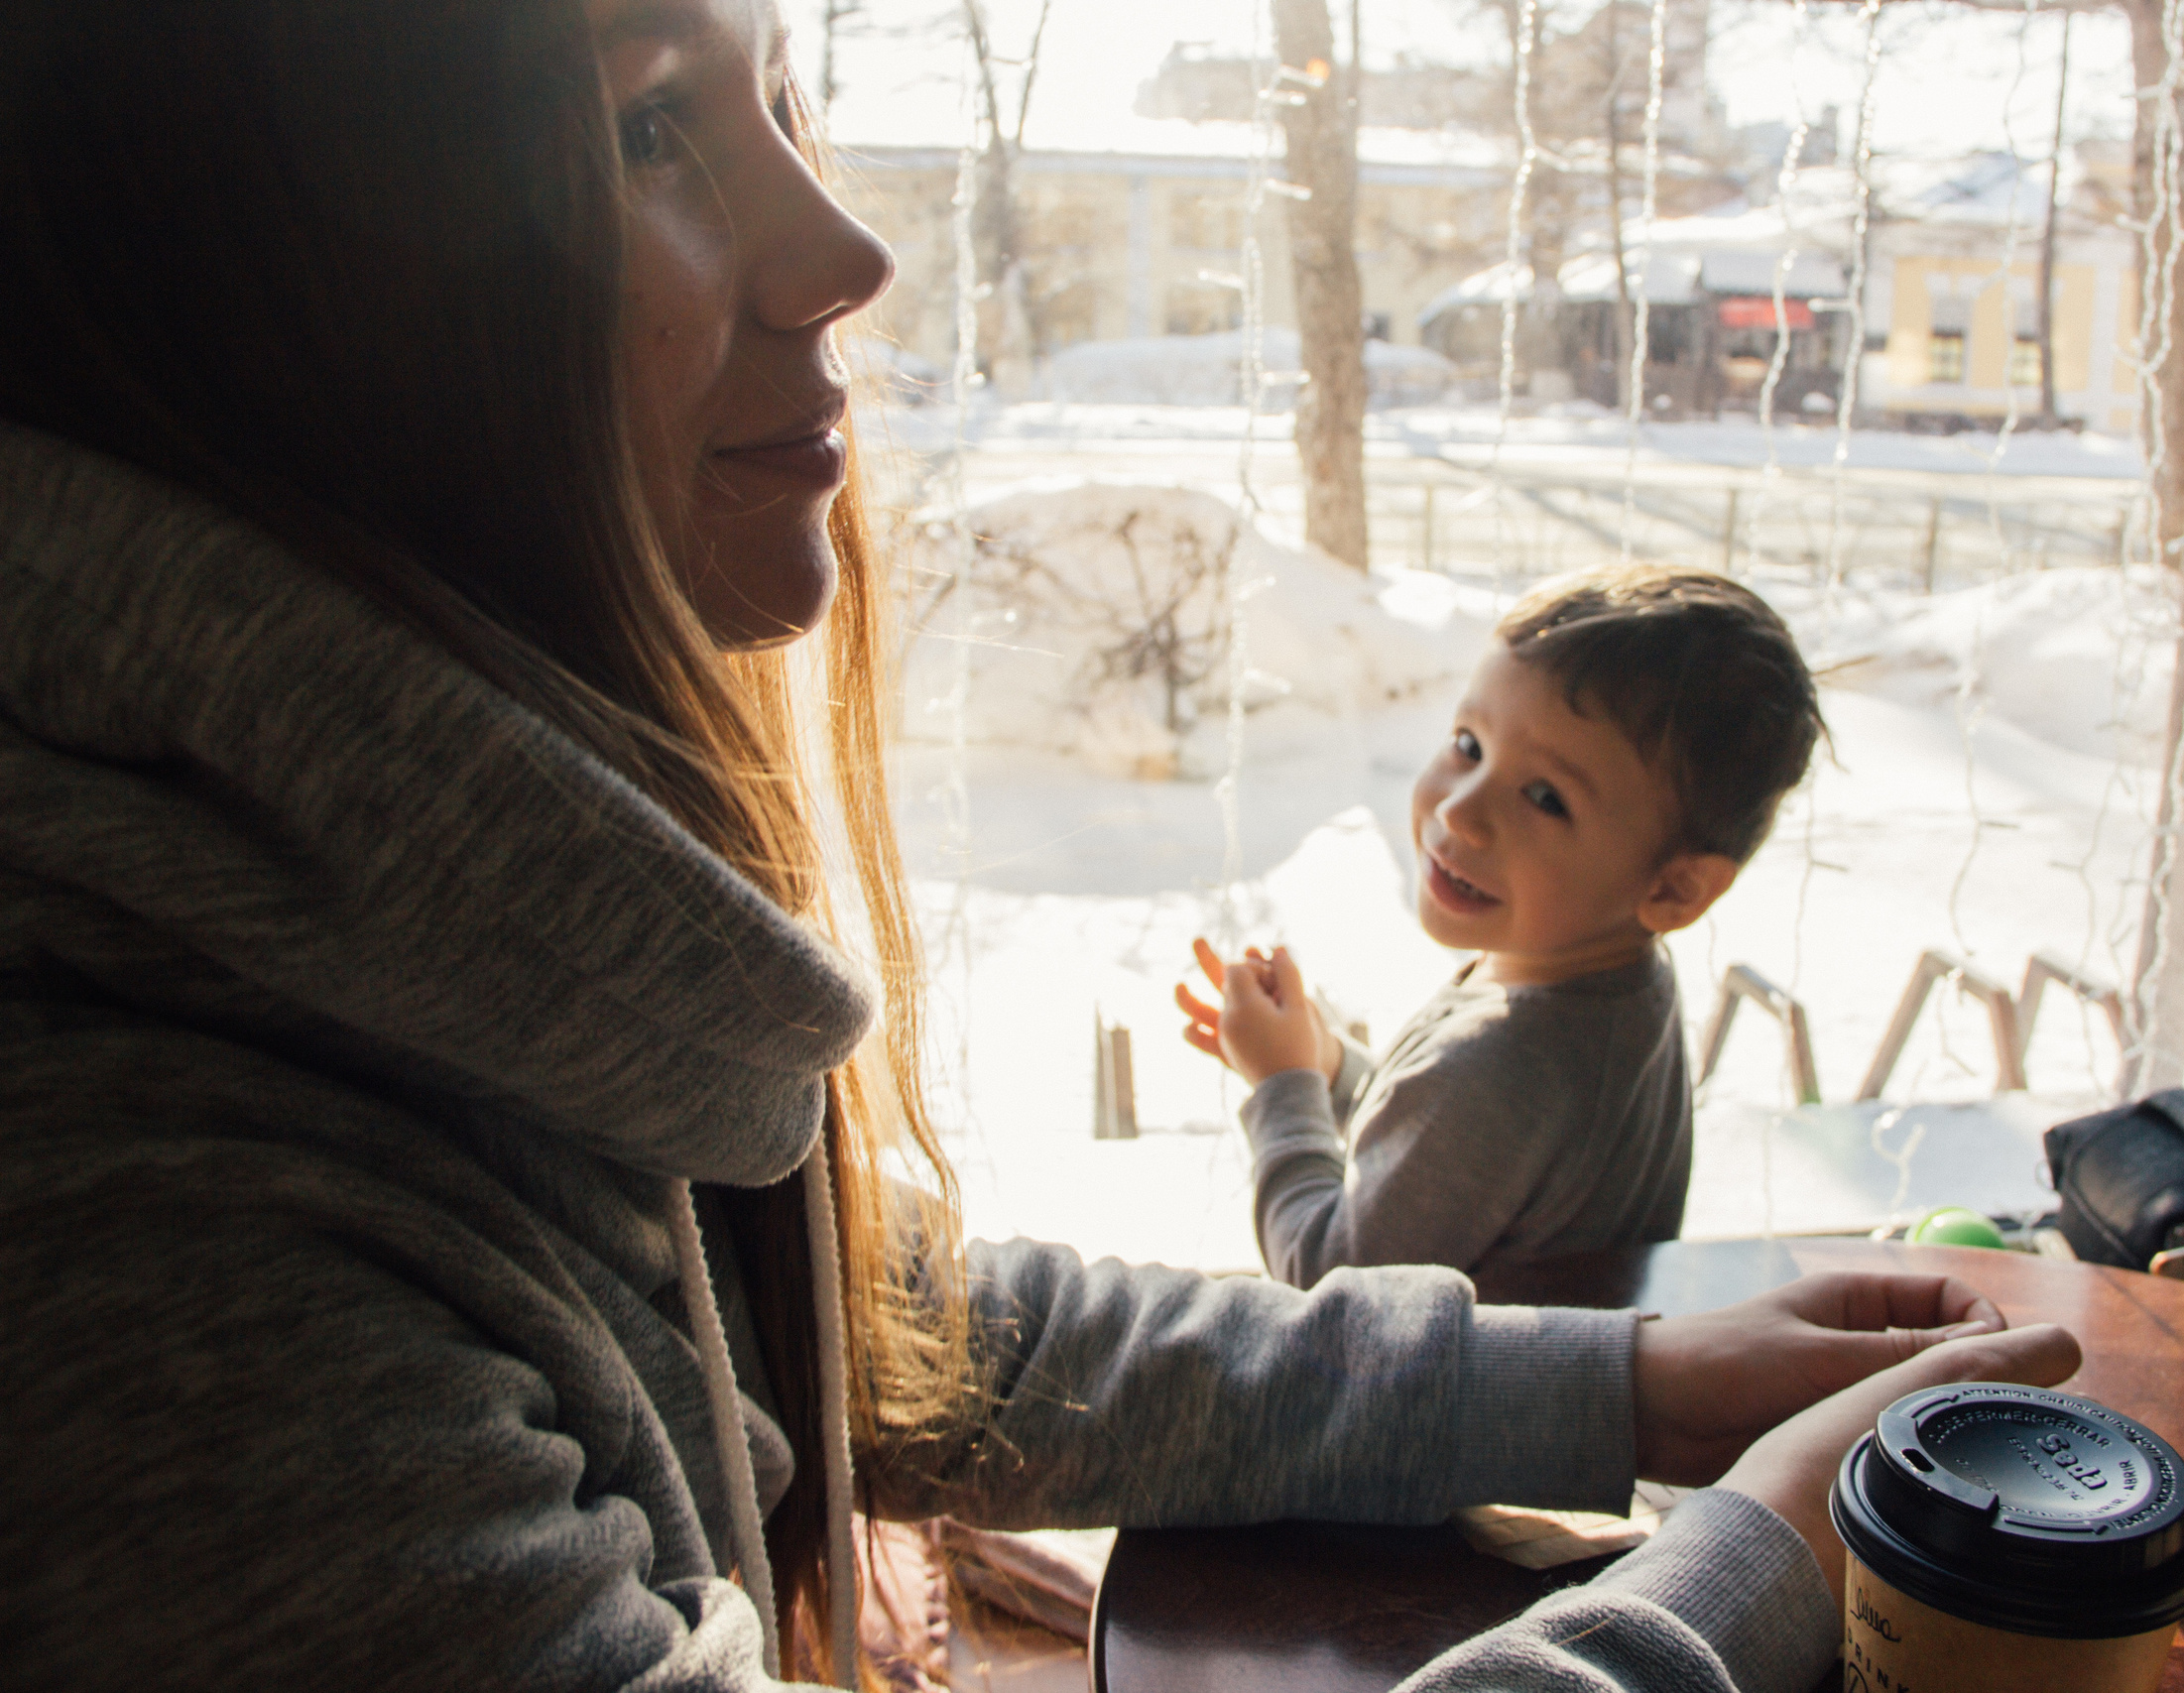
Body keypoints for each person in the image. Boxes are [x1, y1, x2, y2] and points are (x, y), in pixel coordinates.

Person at [0, 2, 2078, 1689]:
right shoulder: (168, 1270)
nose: (841, 253)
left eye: (781, 96)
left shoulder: (422, 929)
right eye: (648, 128)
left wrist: (1622, 1379)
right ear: (294, 289)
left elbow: (902, 1323)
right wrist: (1738, 1582)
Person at [1177, 567, 1819, 1286]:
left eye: (1546, 797)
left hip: (1444, 1399)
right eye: (1468, 744)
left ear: (1673, 887)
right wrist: (1329, 1064)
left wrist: (1282, 1084)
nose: (1459, 811)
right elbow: (1441, 1164)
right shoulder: (1613, 984)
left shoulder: (1509, 1065)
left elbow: (1333, 1287)